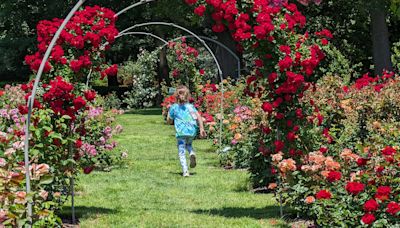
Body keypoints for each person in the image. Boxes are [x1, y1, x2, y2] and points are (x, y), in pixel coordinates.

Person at [167, 85, 206, 177]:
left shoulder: (174, 107)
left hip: (181, 132)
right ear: (188, 96)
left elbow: (169, 121)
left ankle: (185, 171)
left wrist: (169, 111)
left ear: (176, 96)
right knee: (188, 145)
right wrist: (201, 128)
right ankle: (191, 152)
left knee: (181, 151)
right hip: (191, 131)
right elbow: (198, 117)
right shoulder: (191, 107)